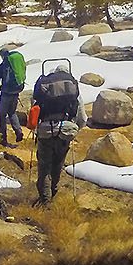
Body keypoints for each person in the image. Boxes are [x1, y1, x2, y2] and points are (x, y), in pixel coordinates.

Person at [32, 61, 83, 204]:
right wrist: (75, 127)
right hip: (66, 129)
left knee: (44, 166)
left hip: (46, 130)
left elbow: (34, 110)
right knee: (58, 163)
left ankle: (45, 200)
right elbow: (82, 117)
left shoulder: (45, 88)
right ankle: (52, 191)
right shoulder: (72, 88)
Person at [0, 47, 26, 146]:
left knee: (2, 115)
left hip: (5, 94)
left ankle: (3, 138)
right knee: (12, 113)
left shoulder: (1, 67)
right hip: (15, 93)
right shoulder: (14, 64)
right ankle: (18, 132)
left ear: (2, 55)